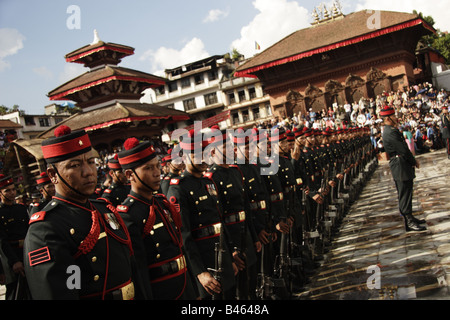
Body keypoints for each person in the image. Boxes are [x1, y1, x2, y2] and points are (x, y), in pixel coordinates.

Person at [24, 125, 143, 300]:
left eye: (91, 162)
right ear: (53, 174)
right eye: (75, 165)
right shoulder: (45, 229)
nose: (88, 172)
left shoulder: (104, 209)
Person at [116, 137, 196, 300]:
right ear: (130, 174)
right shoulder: (127, 214)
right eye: (148, 168)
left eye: (157, 166)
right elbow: (139, 273)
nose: (156, 172)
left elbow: (179, 249)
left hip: (183, 287)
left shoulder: (161, 203)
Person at [166, 129, 237, 300]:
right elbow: (184, 236)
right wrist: (199, 271)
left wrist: (231, 255)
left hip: (222, 255)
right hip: (204, 262)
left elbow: (219, 221)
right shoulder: (178, 188)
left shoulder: (208, 182)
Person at [380, 106, 426, 232]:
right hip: (400, 164)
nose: (396, 118)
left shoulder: (390, 130)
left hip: (400, 163)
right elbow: (403, 149)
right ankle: (409, 221)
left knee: (407, 190)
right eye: (394, 116)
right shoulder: (390, 132)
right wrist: (413, 160)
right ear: (389, 118)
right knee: (404, 192)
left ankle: (410, 217)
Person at [0, 174, 30, 299]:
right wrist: (14, 261)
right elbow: (2, 240)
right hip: (11, 255)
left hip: (26, 251)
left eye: (13, 189)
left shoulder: (21, 209)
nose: (12, 193)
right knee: (15, 292)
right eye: (7, 190)